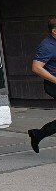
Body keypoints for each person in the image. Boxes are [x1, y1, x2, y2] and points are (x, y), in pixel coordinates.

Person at [28, 18, 56, 153]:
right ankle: (38, 134)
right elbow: (36, 67)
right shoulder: (47, 46)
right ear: (54, 31)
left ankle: (38, 134)